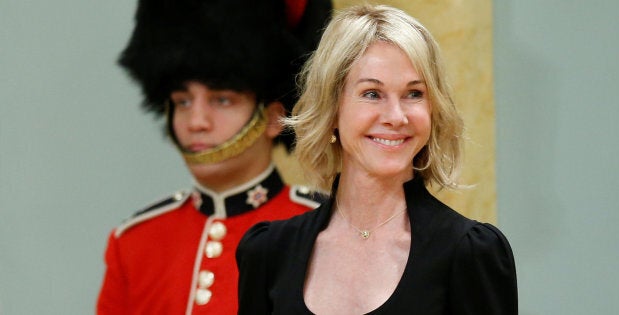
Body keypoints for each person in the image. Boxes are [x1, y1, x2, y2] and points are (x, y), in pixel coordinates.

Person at [236, 4, 518, 315]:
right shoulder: (269, 252)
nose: (396, 117)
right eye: (372, 93)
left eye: (414, 94)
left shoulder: (470, 252)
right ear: (331, 109)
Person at [96, 0, 331, 314]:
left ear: (274, 119)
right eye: (182, 102)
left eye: (221, 100)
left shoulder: (326, 232)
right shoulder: (133, 243)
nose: (196, 122)